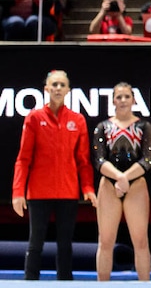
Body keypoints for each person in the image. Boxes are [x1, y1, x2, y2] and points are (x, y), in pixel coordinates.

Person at [11, 70, 97, 280]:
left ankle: (65, 281)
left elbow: (83, 160)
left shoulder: (77, 120)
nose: (58, 88)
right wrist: (18, 192)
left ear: (68, 90)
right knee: (36, 242)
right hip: (38, 191)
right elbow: (23, 158)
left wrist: (87, 188)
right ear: (46, 89)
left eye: (62, 85)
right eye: (54, 85)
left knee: (65, 243)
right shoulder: (34, 117)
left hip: (67, 192)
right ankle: (29, 281)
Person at [93, 82, 151, 281]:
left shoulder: (144, 127)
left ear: (134, 100)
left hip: (136, 184)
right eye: (118, 97)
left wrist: (126, 178)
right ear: (112, 101)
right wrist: (118, 177)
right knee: (105, 242)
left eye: (127, 96)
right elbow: (99, 160)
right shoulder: (103, 127)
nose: (123, 100)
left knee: (141, 241)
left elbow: (148, 159)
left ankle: (145, 285)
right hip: (109, 184)